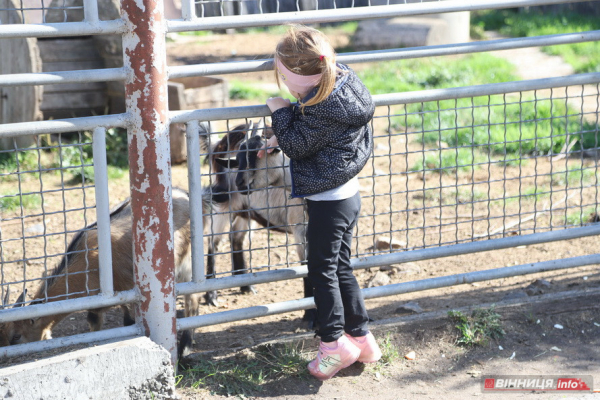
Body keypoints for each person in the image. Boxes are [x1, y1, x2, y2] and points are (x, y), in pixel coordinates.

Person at [257, 24, 382, 381]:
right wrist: (291, 122)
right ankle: (362, 337)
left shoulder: (323, 107)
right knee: (341, 267)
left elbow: (298, 144)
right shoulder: (345, 84)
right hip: (347, 195)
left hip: (328, 201)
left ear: (296, 79)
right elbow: (315, 133)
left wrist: (280, 111)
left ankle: (332, 346)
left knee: (321, 271)